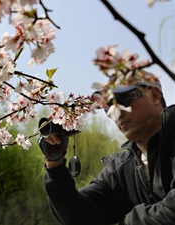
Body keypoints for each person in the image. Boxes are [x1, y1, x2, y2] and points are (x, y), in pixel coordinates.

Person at [38, 71, 175, 225]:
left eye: (122, 100)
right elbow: (78, 217)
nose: (116, 113)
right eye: (108, 108)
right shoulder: (120, 171)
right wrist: (54, 165)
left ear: (154, 96)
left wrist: (127, 221)